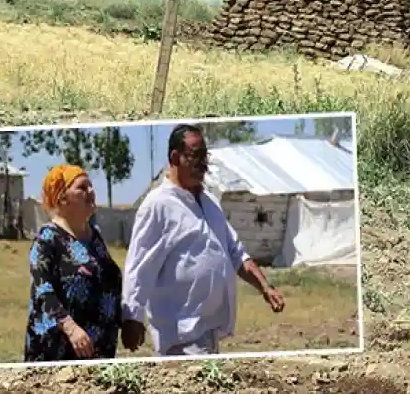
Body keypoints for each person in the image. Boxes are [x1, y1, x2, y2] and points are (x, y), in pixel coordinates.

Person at [120, 124, 285, 356]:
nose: (203, 164)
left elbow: (236, 252)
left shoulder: (209, 202)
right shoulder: (158, 205)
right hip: (179, 335)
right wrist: (132, 317)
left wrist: (265, 287)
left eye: (204, 156)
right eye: (195, 156)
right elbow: (139, 265)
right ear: (175, 157)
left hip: (208, 332)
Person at [23, 164, 123, 362]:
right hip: (58, 352)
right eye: (82, 188)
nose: (91, 191)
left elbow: (108, 282)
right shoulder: (47, 239)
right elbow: (43, 291)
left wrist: (125, 320)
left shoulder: (95, 237)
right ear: (62, 198)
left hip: (99, 351)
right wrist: (70, 328)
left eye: (91, 186)